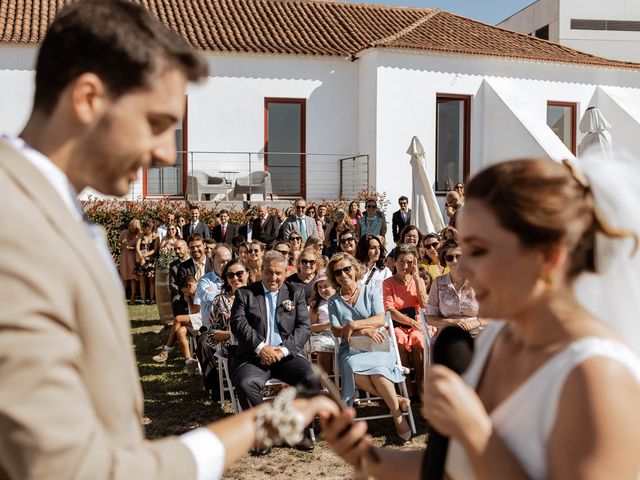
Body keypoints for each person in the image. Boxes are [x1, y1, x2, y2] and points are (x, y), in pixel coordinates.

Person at [0, 2, 337, 478]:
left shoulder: (54, 213)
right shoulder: (14, 226)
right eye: (156, 123)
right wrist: (256, 427)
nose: (165, 153)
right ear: (89, 99)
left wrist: (266, 422)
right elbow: (68, 465)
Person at [323, 155, 640, 479]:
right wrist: (363, 454)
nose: (464, 269)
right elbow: (451, 468)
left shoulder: (599, 379)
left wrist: (475, 431)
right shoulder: (493, 341)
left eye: (480, 250)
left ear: (548, 255)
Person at [326, 253, 411, 441]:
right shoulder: (333, 301)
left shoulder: (370, 290)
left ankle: (398, 417)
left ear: (355, 269)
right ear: (334, 277)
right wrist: (362, 331)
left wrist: (354, 325)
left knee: (378, 371)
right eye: (338, 272)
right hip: (352, 347)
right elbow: (336, 330)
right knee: (352, 369)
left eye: (346, 269)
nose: (343, 274)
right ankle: (397, 401)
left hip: (378, 342)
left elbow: (380, 319)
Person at [230, 251, 321, 417]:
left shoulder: (295, 293)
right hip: (254, 357)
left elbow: (304, 327)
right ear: (261, 270)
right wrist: (261, 348)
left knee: (311, 378)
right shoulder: (245, 294)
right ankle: (268, 425)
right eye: (268, 272)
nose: (273, 277)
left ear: (286, 273)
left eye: (278, 273)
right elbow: (238, 324)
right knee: (245, 383)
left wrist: (282, 351)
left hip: (287, 355)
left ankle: (302, 429)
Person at [383, 243, 428, 399]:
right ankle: (406, 387)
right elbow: (390, 310)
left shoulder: (418, 280)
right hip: (397, 324)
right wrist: (412, 322)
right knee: (399, 340)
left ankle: (421, 386)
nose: (405, 265)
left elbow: (424, 304)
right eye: (401, 261)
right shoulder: (388, 283)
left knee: (418, 339)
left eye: (409, 262)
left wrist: (416, 279)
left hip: (416, 323)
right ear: (395, 262)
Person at [426, 239, 482, 335]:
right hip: (449, 334)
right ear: (445, 260)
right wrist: (452, 323)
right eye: (450, 258)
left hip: (477, 333)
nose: (455, 261)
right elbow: (430, 318)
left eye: (459, 256)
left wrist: (476, 322)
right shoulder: (438, 283)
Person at [307, 270, 336, 376]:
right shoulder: (316, 304)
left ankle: (349, 383)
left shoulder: (342, 300)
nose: (322, 289)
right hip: (323, 333)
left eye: (326, 286)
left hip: (340, 332)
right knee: (323, 348)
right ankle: (326, 382)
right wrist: (326, 325)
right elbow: (310, 327)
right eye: (319, 287)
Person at [134, 219, 159, 304]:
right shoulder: (141, 236)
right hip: (141, 260)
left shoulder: (156, 236)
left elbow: (155, 250)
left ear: (152, 227)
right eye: (145, 226)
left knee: (152, 280)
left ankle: (152, 299)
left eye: (148, 226)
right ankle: (143, 300)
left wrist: (145, 255)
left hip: (151, 261)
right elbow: (137, 247)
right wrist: (141, 257)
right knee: (142, 280)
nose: (146, 228)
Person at [119, 218, 142, 304]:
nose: (132, 229)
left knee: (133, 278)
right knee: (124, 277)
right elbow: (118, 244)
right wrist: (125, 247)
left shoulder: (138, 234)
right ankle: (122, 298)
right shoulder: (124, 232)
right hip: (124, 256)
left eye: (134, 227)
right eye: (131, 227)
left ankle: (132, 298)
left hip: (133, 257)